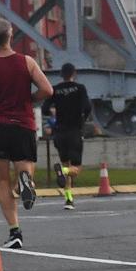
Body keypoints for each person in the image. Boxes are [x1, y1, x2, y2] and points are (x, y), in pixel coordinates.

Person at [0, 19, 52, 249]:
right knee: (24, 167)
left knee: (2, 181)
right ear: (11, 36)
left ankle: (15, 232)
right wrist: (29, 99)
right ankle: (25, 181)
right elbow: (47, 89)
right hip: (24, 124)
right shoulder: (27, 62)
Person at [42, 61, 96, 210]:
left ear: (61, 75)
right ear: (74, 73)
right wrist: (82, 121)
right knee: (75, 168)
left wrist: (53, 112)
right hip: (74, 131)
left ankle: (68, 200)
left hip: (59, 132)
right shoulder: (80, 88)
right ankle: (63, 171)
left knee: (66, 162)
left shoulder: (56, 89)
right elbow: (87, 107)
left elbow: (45, 108)